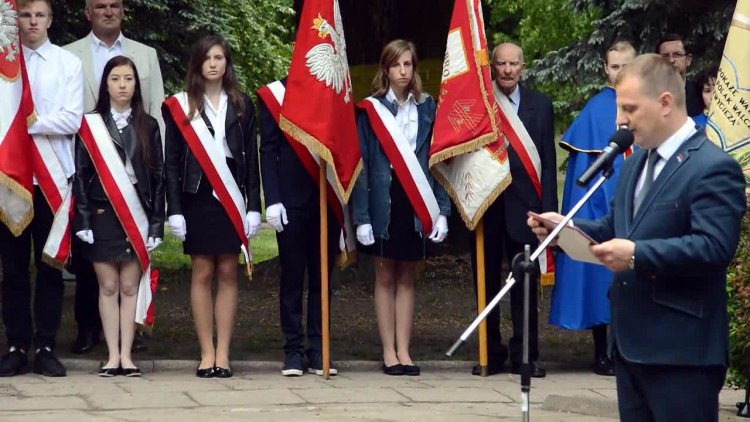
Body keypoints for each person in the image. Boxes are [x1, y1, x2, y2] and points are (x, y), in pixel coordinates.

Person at [528, 54, 746, 421]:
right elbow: (618, 228)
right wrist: (563, 228)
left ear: (664, 103)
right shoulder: (634, 163)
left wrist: (637, 254)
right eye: (619, 107)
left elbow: (713, 247)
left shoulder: (712, 167)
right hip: (629, 346)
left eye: (629, 107)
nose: (619, 120)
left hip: (681, 352)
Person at [64, 0, 165, 354]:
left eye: (115, 6)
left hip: (135, 175)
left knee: (128, 273)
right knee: (91, 262)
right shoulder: (68, 55)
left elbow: (155, 111)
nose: (109, 11)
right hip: (89, 169)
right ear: (87, 12)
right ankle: (88, 328)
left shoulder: (145, 55)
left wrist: (153, 168)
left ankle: (128, 334)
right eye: (100, 6)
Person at [163, 35, 261, 379]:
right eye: (207, 58)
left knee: (229, 272)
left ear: (226, 63)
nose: (214, 63)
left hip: (230, 195)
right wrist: (173, 208)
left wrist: (253, 206)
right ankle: (206, 353)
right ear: (198, 63)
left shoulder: (241, 104)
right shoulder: (181, 105)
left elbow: (251, 158)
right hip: (197, 195)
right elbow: (172, 162)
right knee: (202, 272)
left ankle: (224, 353)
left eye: (219, 57)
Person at [352, 39, 451, 376]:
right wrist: (361, 217)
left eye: (408, 64)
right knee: (384, 273)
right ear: (386, 69)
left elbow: (439, 162)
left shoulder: (428, 107)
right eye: (397, 65)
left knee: (408, 275)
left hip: (418, 197)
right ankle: (388, 352)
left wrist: (442, 210)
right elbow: (362, 164)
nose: (403, 71)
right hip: (385, 197)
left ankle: (405, 351)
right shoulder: (371, 110)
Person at [0, 0, 83, 377]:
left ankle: (47, 345)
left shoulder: (68, 64)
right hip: (12, 182)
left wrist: (27, 123)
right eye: (25, 15)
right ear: (15, 20)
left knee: (51, 266)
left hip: (52, 181)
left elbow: (71, 119)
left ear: (50, 20)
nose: (32, 22)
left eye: (39, 15)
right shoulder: (5, 71)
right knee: (14, 269)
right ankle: (17, 344)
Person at [472, 42, 557, 378]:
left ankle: (526, 354)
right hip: (488, 208)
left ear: (523, 66)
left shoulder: (541, 105)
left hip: (527, 210)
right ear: (492, 66)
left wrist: (548, 213)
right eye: (501, 63)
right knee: (486, 284)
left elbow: (548, 164)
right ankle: (489, 354)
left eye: (513, 64)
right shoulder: (480, 104)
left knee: (524, 285)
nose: (507, 70)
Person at [552, 41, 636, 377]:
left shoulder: (642, 106)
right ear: (605, 68)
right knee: (601, 279)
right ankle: (603, 352)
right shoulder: (595, 110)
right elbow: (582, 178)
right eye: (614, 66)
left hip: (638, 207)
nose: (619, 72)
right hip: (605, 207)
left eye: (625, 66)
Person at [257, 77, 343, 377]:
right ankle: (293, 350)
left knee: (322, 280)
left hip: (326, 200)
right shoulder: (276, 95)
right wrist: (274, 198)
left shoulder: (333, 91)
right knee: (292, 279)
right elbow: (268, 150)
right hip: (290, 203)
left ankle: (319, 349)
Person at [656, 33, 703, 118]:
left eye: (677, 55)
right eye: (665, 56)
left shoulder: (700, 94)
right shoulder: (648, 94)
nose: (671, 60)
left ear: (688, 60)